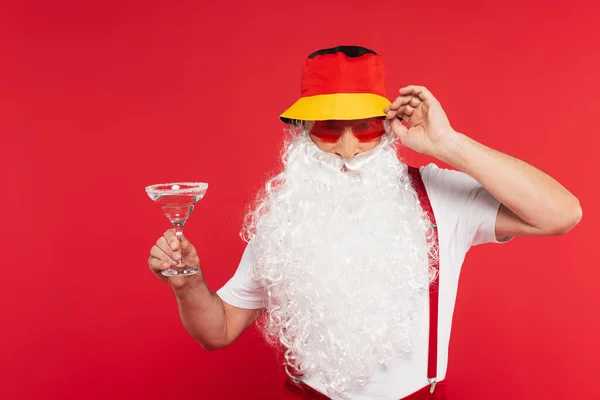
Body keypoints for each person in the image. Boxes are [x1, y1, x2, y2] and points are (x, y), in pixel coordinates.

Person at [147, 46, 582, 400]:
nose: (349, 149)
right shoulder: (285, 221)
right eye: (330, 129)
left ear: (389, 127)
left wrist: (447, 144)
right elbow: (217, 331)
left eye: (366, 128)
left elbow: (561, 214)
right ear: (303, 133)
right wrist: (188, 283)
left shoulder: (438, 198)